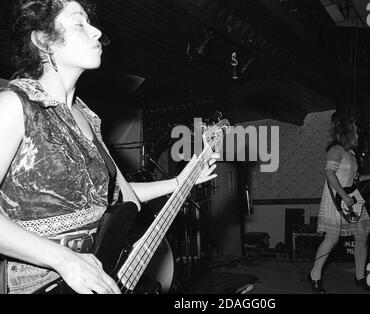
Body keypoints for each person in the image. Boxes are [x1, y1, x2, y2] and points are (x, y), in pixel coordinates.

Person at [0, 0, 217, 294]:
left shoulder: (87, 118)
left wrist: (181, 181)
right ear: (43, 40)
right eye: (80, 23)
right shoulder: (14, 104)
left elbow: (120, 198)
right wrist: (65, 260)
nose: (96, 32)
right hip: (38, 280)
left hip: (96, 271)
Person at [306, 114, 370, 293]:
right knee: (332, 238)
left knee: (362, 236)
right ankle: (314, 275)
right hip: (340, 198)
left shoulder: (350, 153)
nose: (358, 132)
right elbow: (330, 174)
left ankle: (360, 277)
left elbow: (353, 178)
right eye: (355, 129)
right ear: (346, 131)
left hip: (353, 197)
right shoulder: (335, 150)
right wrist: (344, 197)